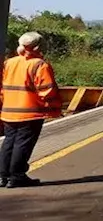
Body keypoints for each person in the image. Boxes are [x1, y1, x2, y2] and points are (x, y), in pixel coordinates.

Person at [0, 32, 62, 188]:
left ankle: (2, 176)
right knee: (22, 144)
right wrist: (53, 107)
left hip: (8, 111)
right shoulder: (40, 65)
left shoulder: (10, 63)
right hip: (30, 112)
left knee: (9, 143)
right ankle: (17, 176)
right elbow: (47, 91)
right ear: (38, 47)